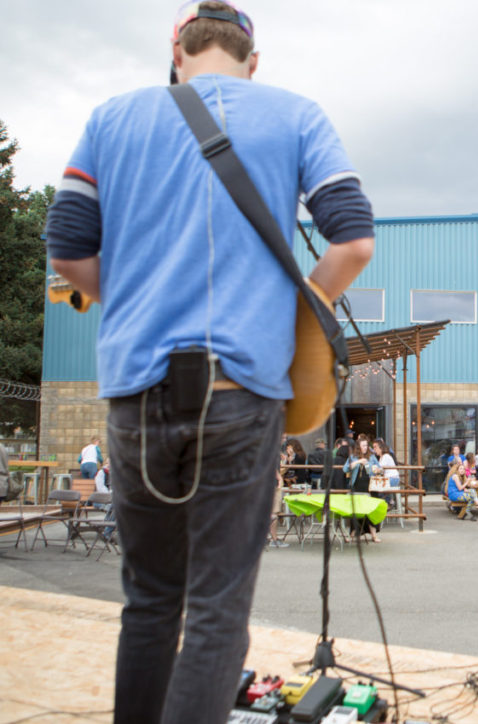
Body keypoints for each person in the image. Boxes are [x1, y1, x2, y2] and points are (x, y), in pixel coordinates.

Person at [44, 3, 376, 721]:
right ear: (254, 60)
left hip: (138, 395)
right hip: (240, 390)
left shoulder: (110, 118)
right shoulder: (295, 115)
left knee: (150, 602)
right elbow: (352, 241)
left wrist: (130, 301)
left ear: (177, 49)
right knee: (219, 611)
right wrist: (293, 312)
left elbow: (67, 249)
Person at [344, 434, 381, 542]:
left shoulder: (372, 456)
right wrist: (358, 462)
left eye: (366, 445)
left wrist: (377, 470)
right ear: (358, 446)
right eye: (363, 445)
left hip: (370, 486)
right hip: (357, 486)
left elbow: (380, 468)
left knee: (371, 511)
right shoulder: (353, 457)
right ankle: (352, 534)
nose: (365, 447)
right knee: (357, 511)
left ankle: (374, 535)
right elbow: (345, 469)